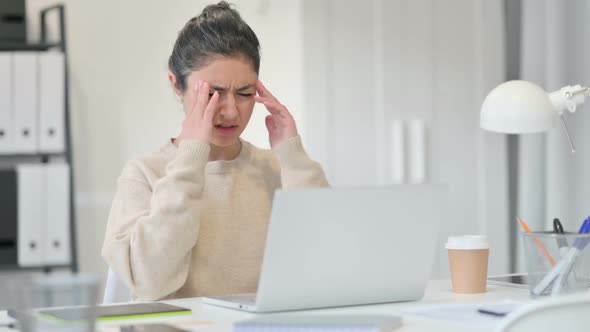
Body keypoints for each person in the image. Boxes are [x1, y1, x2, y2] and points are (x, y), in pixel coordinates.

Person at [101, 1, 329, 301]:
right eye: (213, 93)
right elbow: (150, 282)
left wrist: (293, 157)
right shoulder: (143, 174)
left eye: (245, 94)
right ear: (177, 86)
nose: (231, 111)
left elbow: (326, 264)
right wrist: (191, 158)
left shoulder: (274, 170)